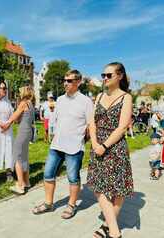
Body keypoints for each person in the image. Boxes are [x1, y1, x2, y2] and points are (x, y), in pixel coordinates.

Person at [32, 69, 93, 219]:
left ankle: (71, 205)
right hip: (57, 145)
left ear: (78, 82)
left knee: (73, 177)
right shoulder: (59, 100)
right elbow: (58, 121)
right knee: (48, 174)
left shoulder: (85, 101)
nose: (66, 83)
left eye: (69, 81)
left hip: (74, 147)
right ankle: (48, 203)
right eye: (64, 80)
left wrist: (82, 140)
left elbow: (91, 125)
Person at [87, 62, 133, 238]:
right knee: (98, 187)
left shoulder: (125, 98)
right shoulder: (98, 97)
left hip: (115, 147)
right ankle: (114, 230)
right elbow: (92, 122)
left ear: (120, 76)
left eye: (109, 75)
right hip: (97, 146)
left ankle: (109, 227)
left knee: (117, 189)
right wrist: (95, 143)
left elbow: (122, 128)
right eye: (103, 75)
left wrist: (105, 146)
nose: (104, 78)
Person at [5, 85, 35, 195]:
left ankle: (20, 185)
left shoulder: (23, 103)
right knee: (24, 157)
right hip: (28, 132)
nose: (18, 94)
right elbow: (19, 118)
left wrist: (5, 124)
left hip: (23, 131)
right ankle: (27, 182)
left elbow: (14, 117)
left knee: (17, 157)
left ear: (23, 93)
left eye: (19, 93)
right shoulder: (30, 104)